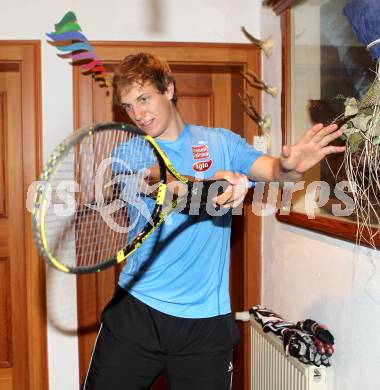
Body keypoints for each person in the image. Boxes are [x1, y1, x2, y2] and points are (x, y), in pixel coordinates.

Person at [82, 53, 345, 390]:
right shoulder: (131, 152)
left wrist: (292, 167)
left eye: (144, 98)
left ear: (169, 89)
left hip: (205, 324)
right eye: (129, 106)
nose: (138, 114)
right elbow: (148, 181)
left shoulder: (221, 142)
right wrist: (201, 186)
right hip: (137, 312)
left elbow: (274, 171)